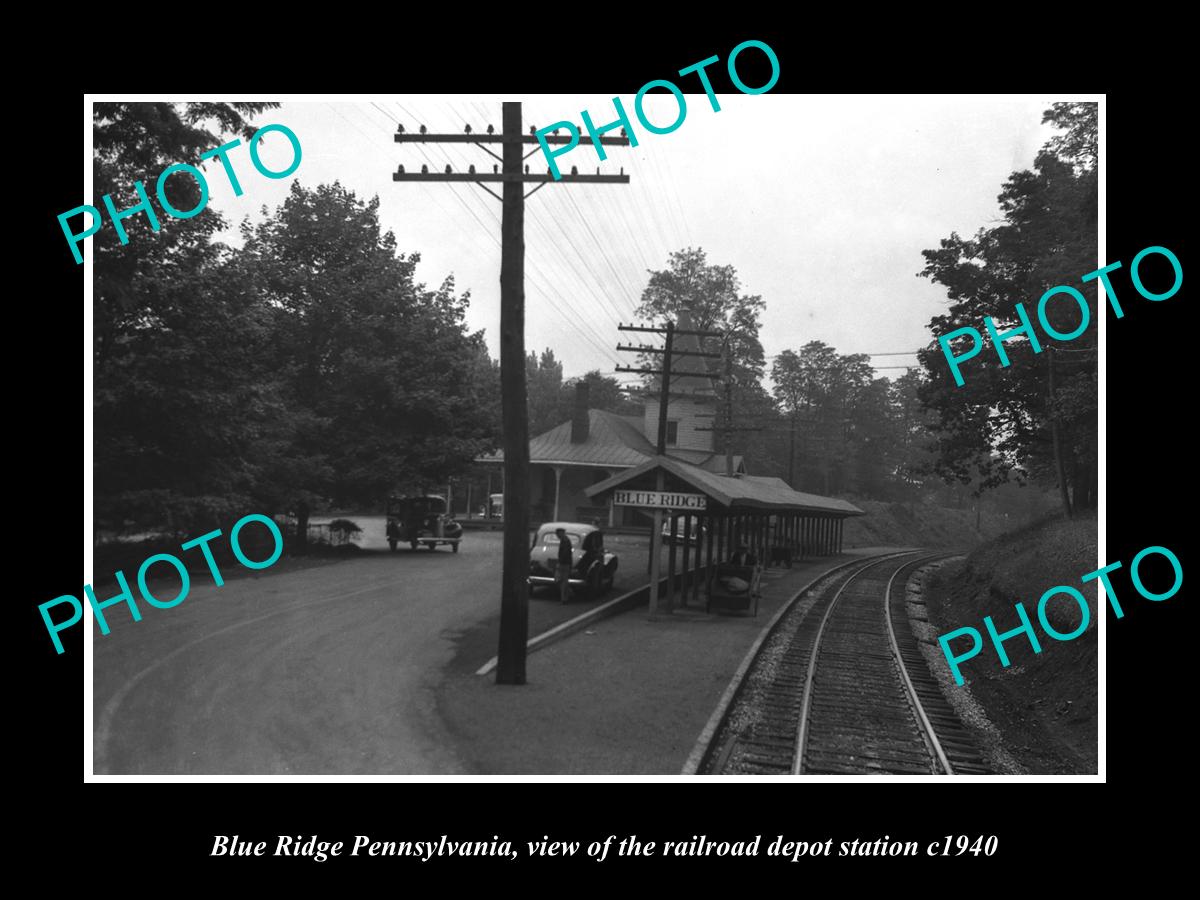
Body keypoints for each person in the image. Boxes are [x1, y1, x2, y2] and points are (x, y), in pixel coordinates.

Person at [555, 527, 574, 604]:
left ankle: (564, 598)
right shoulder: (565, 540)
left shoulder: (565, 541)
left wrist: (560, 562)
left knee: (561, 581)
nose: (557, 536)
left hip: (564, 563)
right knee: (563, 581)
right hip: (566, 563)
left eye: (558, 534)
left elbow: (565, 553)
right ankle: (567, 594)